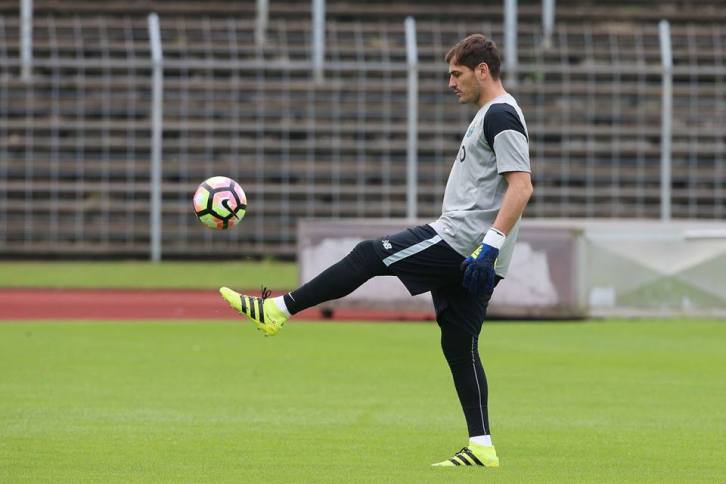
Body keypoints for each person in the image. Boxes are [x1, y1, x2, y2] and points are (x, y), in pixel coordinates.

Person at [220, 33, 533, 468]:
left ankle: (278, 310)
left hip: (461, 241)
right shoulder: (491, 114)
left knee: (370, 254)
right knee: (460, 345)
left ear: (483, 71)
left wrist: (489, 247)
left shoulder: (499, 113)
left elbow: (522, 186)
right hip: (474, 250)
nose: (450, 83)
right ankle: (481, 446)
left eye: (457, 74)